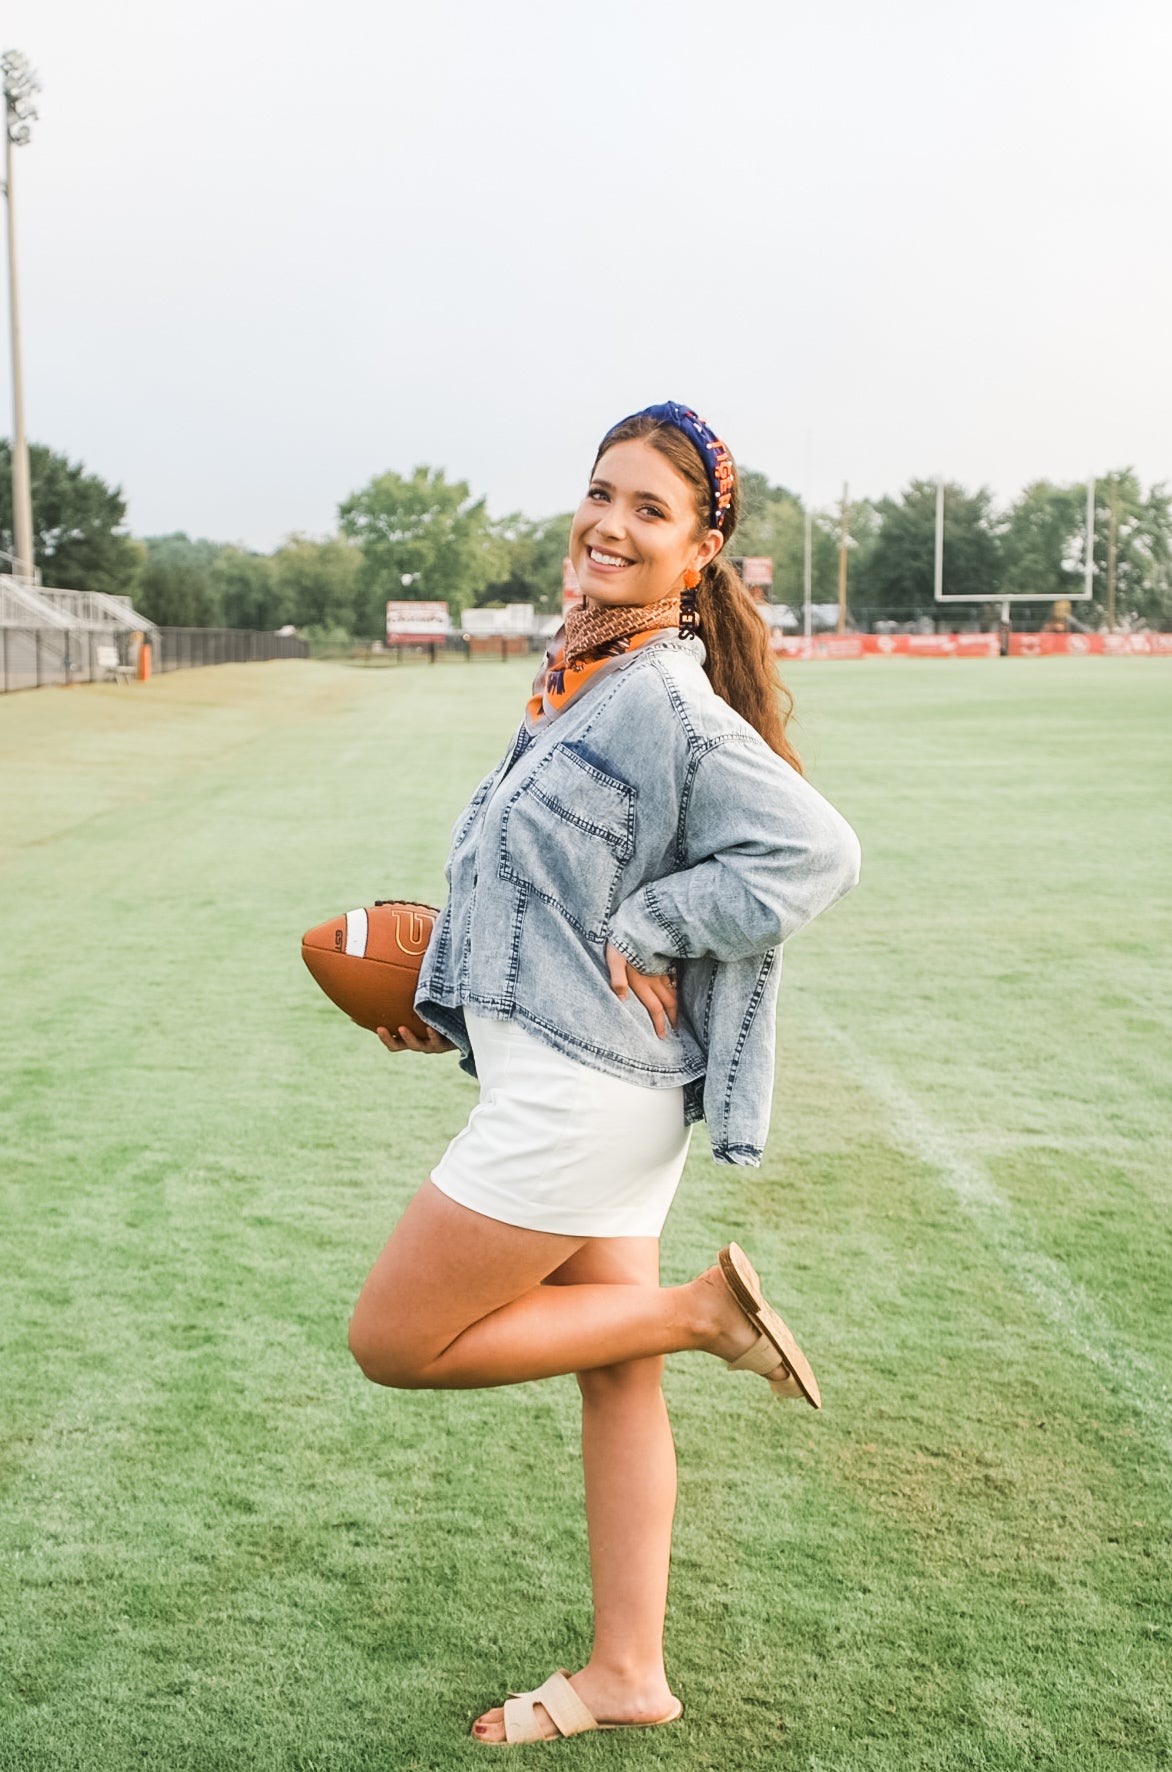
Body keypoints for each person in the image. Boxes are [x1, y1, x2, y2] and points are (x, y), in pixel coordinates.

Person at [347, 401, 860, 1745]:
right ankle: (628, 1671)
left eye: (649, 510)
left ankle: (707, 1316)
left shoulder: (661, 701)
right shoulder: (573, 678)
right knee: (611, 1372)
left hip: (583, 1095)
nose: (610, 524)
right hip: (580, 1078)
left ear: (698, 556)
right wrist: (440, 1003)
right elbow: (524, 897)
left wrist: (653, 928)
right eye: (601, 494)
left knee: (396, 1342)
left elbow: (814, 855)